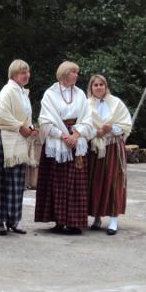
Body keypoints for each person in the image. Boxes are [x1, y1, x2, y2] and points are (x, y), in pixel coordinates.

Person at [34, 61, 94, 234]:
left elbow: (87, 118)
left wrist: (76, 135)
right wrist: (62, 135)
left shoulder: (80, 93)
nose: (77, 75)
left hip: (76, 138)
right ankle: (59, 221)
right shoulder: (50, 94)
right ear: (65, 73)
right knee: (57, 181)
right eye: (74, 72)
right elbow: (45, 120)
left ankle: (74, 222)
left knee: (75, 183)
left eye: (77, 72)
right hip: (57, 139)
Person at [0, 59, 38, 236]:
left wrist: (29, 128)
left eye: (28, 72)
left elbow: (25, 115)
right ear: (14, 74)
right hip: (3, 138)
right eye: (23, 72)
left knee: (16, 183)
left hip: (17, 139)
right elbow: (2, 115)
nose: (26, 75)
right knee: (1, 182)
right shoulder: (7, 90)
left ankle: (13, 219)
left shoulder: (22, 92)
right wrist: (21, 127)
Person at [87, 74, 132, 235]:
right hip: (95, 148)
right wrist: (96, 131)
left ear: (106, 86)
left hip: (113, 146)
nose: (98, 87)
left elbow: (126, 124)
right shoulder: (87, 105)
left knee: (113, 181)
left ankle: (114, 219)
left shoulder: (116, 103)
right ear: (91, 88)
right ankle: (97, 217)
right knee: (96, 181)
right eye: (95, 85)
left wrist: (111, 128)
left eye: (101, 84)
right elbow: (83, 125)